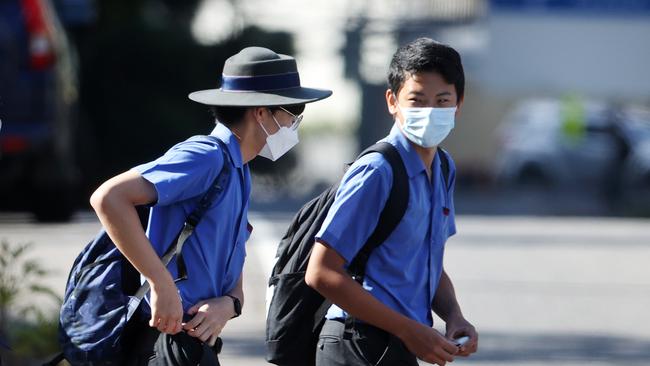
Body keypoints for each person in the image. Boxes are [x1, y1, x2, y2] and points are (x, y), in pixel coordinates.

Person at [90, 46, 331, 365]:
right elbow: (108, 197)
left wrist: (229, 304)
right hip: (164, 340)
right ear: (261, 113)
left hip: (193, 342)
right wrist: (160, 284)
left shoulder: (239, 168)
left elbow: (231, 267)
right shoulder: (205, 157)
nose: (295, 123)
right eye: (292, 112)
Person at [305, 37, 478, 366]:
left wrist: (454, 316)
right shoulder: (378, 171)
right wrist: (409, 330)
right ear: (392, 101)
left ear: (459, 103)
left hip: (399, 344)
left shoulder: (443, 167)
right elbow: (322, 272)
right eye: (417, 100)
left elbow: (427, 262)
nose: (430, 113)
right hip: (356, 344)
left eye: (442, 101)